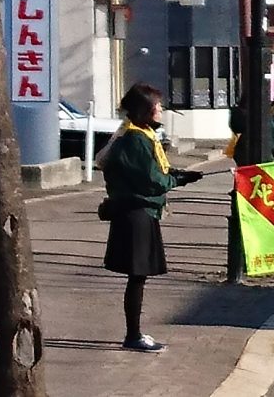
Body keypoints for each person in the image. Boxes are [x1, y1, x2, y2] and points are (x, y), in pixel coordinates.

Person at [100, 83, 202, 352]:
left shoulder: (142, 135)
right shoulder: (134, 139)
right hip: (136, 213)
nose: (160, 109)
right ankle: (133, 335)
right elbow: (151, 180)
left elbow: (156, 172)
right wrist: (175, 180)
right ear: (144, 110)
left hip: (141, 212)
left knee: (139, 276)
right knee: (137, 275)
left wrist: (179, 175)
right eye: (156, 106)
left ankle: (134, 333)